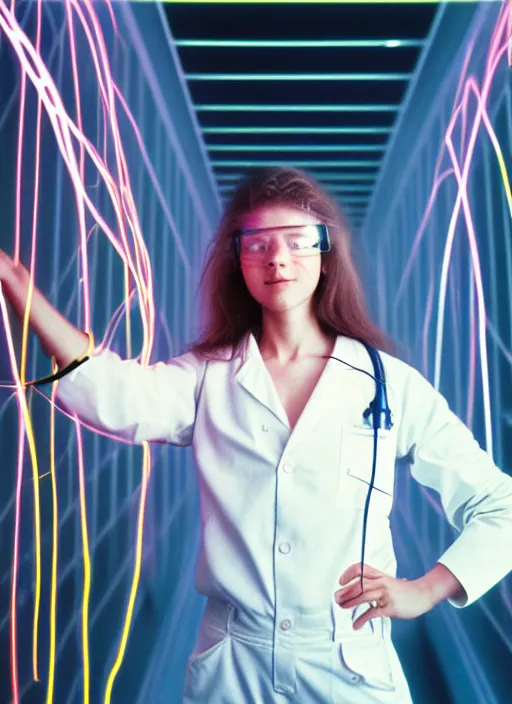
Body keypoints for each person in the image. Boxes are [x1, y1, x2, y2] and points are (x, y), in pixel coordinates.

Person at [1, 167, 512, 703]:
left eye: (297, 242)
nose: (278, 259)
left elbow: (500, 507)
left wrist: (426, 590)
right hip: (233, 666)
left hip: (348, 665)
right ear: (237, 259)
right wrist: (21, 290)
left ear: (324, 253)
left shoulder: (389, 384)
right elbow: (118, 397)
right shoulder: (207, 377)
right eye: (259, 244)